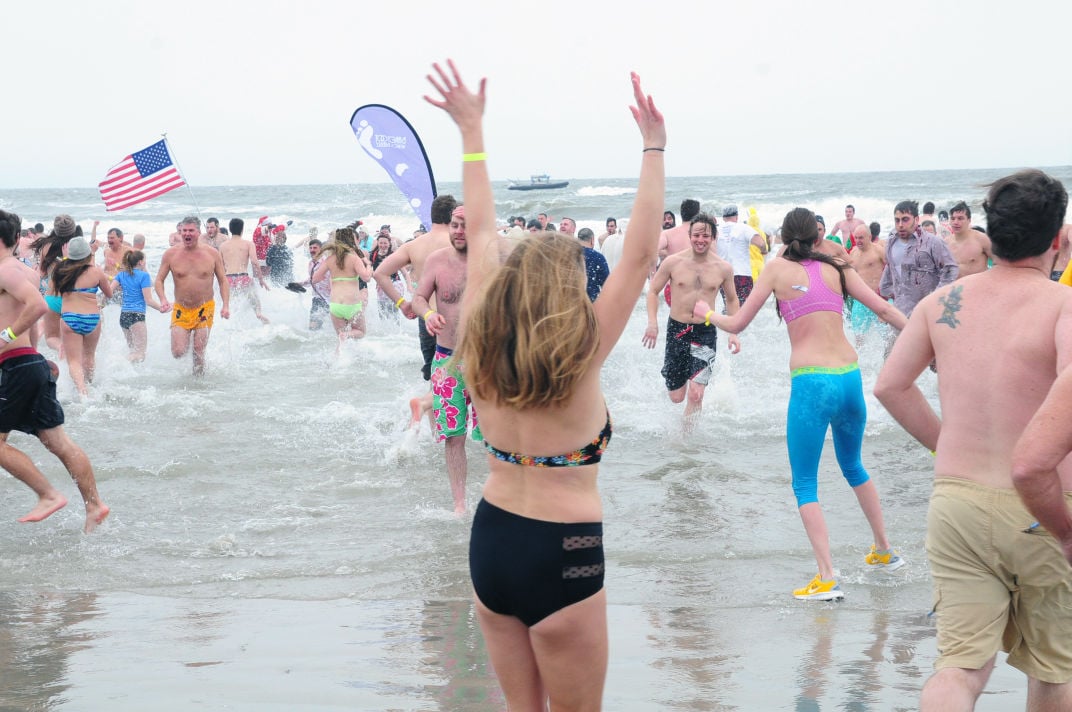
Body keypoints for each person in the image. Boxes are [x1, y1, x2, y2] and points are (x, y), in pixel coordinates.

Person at [425, 58, 664, 711]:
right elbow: (642, 254)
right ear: (566, 291)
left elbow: (478, 228)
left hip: (492, 543)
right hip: (566, 551)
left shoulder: (475, 338)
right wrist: (653, 145)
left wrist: (472, 134)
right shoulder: (581, 353)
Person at [874, 169, 1072, 711]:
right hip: (1043, 510)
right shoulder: (1062, 306)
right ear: (1057, 239)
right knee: (1053, 671)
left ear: (990, 234)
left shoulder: (942, 304)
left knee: (960, 667)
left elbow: (891, 386)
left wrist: (948, 445)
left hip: (956, 502)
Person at [698, 207, 907, 600]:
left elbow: (738, 322)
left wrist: (707, 313)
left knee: (806, 483)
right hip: (849, 379)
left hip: (812, 384)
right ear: (817, 236)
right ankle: (884, 550)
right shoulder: (839, 267)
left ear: (782, 238)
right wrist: (924, 338)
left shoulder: (776, 269)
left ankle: (827, 577)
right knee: (853, 465)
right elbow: (883, 308)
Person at [0, 210, 109, 534]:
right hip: (27, 362)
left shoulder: (5, 271)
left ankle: (47, 495)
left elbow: (38, 307)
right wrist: (33, 352)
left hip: (17, 365)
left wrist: (4, 339)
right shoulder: (23, 270)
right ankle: (94, 504)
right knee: (57, 441)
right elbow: (27, 319)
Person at [409, 204, 481, 514]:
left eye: (465, 225)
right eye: (454, 225)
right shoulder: (437, 261)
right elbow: (419, 297)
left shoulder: (491, 263)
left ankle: (503, 499)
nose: (459, 231)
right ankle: (460, 505)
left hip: (485, 361)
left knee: (498, 435)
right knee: (453, 437)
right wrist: (427, 313)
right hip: (447, 360)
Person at [643, 213, 741, 425]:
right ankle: (680, 393)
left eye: (706, 236)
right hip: (677, 330)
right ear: (690, 235)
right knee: (677, 397)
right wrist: (653, 323)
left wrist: (733, 331)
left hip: (705, 332)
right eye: (696, 235)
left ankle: (687, 442)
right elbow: (653, 292)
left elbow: (732, 300)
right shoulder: (672, 262)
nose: (700, 240)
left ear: (713, 237)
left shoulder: (723, 268)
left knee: (696, 394)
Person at [371, 194, 458, 381]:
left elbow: (379, 273)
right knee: (456, 381)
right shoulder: (458, 243)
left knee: (434, 377)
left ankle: (428, 408)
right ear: (452, 215)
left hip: (426, 317)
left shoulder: (414, 245)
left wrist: (402, 303)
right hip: (453, 318)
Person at [154, 216, 231, 376]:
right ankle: (187, 338)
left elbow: (223, 280)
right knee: (178, 352)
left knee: (198, 351)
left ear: (198, 232)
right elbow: (159, 280)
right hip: (181, 308)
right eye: (184, 231)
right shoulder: (170, 254)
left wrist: (225, 305)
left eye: (191, 231)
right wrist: (163, 299)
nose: (187, 234)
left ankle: (199, 384)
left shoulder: (212, 253)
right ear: (180, 232)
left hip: (205, 307)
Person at [878, 200, 958, 352]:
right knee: (891, 359)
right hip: (900, 312)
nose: (900, 224)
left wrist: (934, 298)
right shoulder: (890, 242)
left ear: (916, 220)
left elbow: (950, 270)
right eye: (897, 220)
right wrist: (886, 288)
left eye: (905, 219)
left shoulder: (932, 242)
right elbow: (891, 268)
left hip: (927, 313)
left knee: (933, 362)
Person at [52, 236, 113, 396]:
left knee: (73, 360)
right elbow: (109, 293)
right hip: (92, 317)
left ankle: (81, 391)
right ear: (87, 254)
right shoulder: (96, 272)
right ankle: (89, 386)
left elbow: (55, 293)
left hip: (70, 318)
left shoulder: (60, 270)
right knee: (89, 356)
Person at [310, 226, 372, 348]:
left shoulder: (330, 259)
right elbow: (366, 278)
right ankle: (347, 336)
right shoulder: (354, 259)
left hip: (335, 305)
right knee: (360, 332)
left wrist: (333, 277)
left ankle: (337, 361)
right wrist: (369, 266)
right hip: (352, 305)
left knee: (340, 337)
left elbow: (315, 279)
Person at [111, 250, 165, 362]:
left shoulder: (121, 275)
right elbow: (148, 300)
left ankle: (124, 370)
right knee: (140, 353)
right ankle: (120, 366)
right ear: (140, 262)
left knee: (132, 351)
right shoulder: (144, 276)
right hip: (136, 316)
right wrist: (161, 308)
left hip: (124, 316)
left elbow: (109, 291)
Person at [219, 217, 270, 323]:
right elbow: (255, 262)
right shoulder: (248, 244)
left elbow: (220, 266)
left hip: (228, 280)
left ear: (230, 229)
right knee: (254, 300)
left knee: (232, 305)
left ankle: (229, 320)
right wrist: (261, 280)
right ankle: (258, 314)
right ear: (242, 230)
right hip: (243, 277)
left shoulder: (223, 246)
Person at [848, 222, 888, 338]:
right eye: (856, 238)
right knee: (859, 337)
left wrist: (888, 296)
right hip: (860, 302)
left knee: (885, 336)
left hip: (878, 299)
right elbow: (850, 275)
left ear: (869, 237)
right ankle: (862, 357)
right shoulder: (853, 253)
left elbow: (892, 271)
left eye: (861, 238)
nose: (858, 241)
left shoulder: (878, 250)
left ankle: (887, 356)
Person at [944, 201, 993, 278]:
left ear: (969, 220)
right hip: (955, 288)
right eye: (953, 219)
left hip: (978, 286)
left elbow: (1000, 263)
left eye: (960, 218)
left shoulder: (981, 239)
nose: (955, 222)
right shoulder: (946, 242)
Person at [368, 234, 404, 323]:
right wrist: (377, 280)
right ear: (378, 243)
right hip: (381, 285)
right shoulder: (373, 255)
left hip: (395, 284)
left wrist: (410, 286)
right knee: (382, 310)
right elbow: (370, 271)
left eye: (385, 243)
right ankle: (385, 333)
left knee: (394, 310)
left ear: (389, 243)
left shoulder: (393, 254)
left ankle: (397, 330)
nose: (383, 245)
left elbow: (404, 272)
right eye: (381, 243)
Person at [302, 239, 331, 330]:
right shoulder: (310, 263)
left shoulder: (327, 263)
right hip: (317, 298)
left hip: (328, 299)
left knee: (316, 326)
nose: (312, 250)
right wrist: (300, 284)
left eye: (315, 248)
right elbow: (312, 279)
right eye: (310, 248)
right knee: (314, 326)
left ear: (321, 249)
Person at [577, 227, 610, 302]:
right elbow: (606, 284)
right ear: (592, 240)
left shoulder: (569, 254)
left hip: (570, 303)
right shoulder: (598, 257)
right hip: (590, 301)